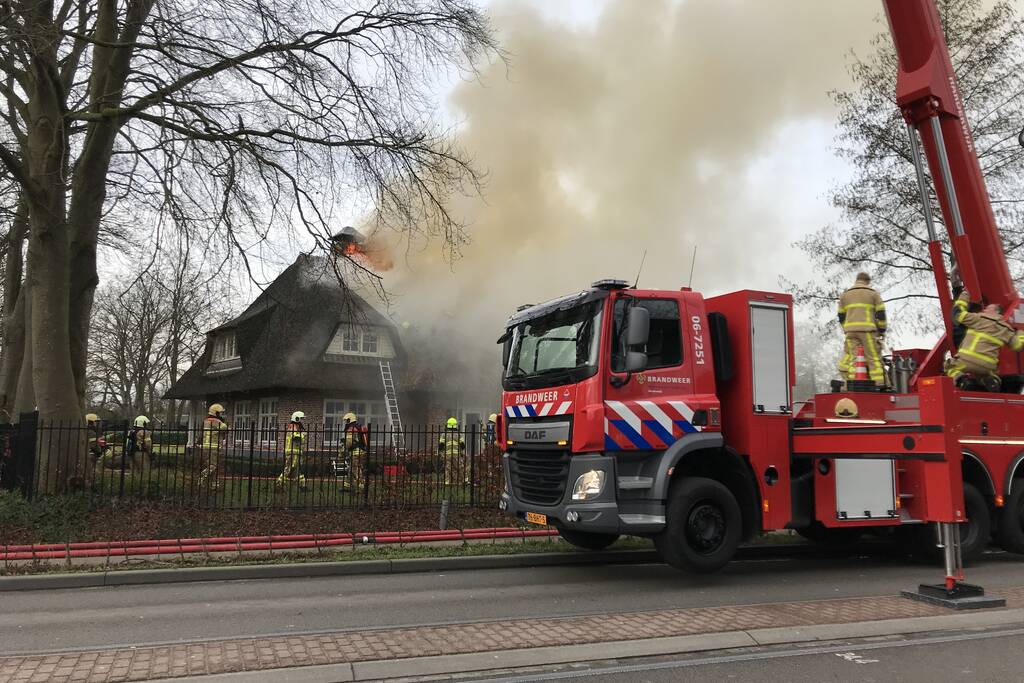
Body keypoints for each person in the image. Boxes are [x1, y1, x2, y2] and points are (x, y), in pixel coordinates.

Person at [945, 289, 1024, 391]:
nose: (984, 310)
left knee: (949, 366)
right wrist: (1020, 332)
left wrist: (964, 294)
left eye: (987, 308)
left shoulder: (979, 319)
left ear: (996, 311)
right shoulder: (1007, 329)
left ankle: (963, 381)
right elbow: (1018, 346)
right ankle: (992, 380)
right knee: (986, 374)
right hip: (988, 366)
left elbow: (957, 314)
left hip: (967, 361)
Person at [837, 272, 887, 387]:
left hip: (851, 332)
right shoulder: (873, 294)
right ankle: (879, 385)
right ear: (868, 281)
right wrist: (882, 330)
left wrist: (846, 328)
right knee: (873, 358)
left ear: (856, 280)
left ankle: (853, 385)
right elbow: (881, 314)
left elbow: (841, 316)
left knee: (854, 359)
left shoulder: (845, 295)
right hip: (868, 332)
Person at [198, 403, 228, 490]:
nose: (221, 415)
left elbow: (201, 434)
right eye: (220, 413)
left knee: (212, 466)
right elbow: (225, 429)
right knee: (213, 466)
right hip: (214, 448)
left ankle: (215, 484)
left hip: (205, 447)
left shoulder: (205, 421)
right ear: (216, 413)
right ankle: (201, 477)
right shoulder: (218, 422)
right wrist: (223, 422)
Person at [277, 411, 307, 490]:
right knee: (289, 468)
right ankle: (279, 484)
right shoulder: (293, 427)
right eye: (301, 419)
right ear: (297, 418)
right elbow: (296, 437)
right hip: (292, 452)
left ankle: (302, 486)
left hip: (296, 452)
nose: (302, 421)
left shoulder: (296, 427)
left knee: (298, 469)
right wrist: (303, 435)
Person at [341, 412, 367, 491]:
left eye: (347, 420)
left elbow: (349, 443)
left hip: (355, 452)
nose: (346, 422)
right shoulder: (358, 427)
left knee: (355, 469)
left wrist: (343, 450)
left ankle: (361, 485)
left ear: (350, 420)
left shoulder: (351, 429)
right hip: (361, 451)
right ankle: (347, 486)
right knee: (351, 469)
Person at [439, 417, 466, 485]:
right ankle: (464, 480)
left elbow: (441, 445)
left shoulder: (444, 434)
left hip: (447, 455)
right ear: (455, 425)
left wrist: (441, 453)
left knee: (447, 468)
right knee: (460, 467)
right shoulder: (459, 434)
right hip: (456, 454)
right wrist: (462, 453)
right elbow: (462, 445)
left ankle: (447, 481)